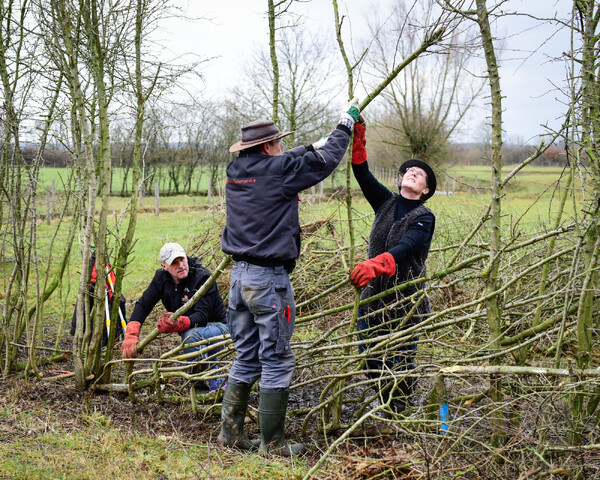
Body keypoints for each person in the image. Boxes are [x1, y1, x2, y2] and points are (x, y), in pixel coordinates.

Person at [218, 100, 361, 456]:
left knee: (246, 355)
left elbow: (283, 161)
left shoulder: (236, 171)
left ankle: (231, 435)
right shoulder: (279, 170)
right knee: (277, 358)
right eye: (279, 142)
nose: (282, 147)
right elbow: (326, 162)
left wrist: (309, 145)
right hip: (268, 282)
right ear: (268, 147)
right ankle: (274, 444)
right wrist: (345, 125)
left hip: (239, 279)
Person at [349, 118, 436, 414]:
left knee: (400, 358)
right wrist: (358, 136)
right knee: (370, 355)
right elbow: (361, 172)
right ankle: (382, 398)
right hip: (373, 298)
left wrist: (379, 263)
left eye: (421, 174)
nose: (414, 173)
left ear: (424, 190)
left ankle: (399, 410)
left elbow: (407, 246)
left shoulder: (425, 216)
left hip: (404, 302)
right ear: (400, 180)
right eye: (410, 170)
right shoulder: (385, 203)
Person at [121, 242, 229, 393]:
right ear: (165, 266)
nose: (181, 265)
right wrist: (132, 331)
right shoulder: (161, 278)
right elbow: (144, 304)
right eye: (174, 263)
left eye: (182, 259)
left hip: (220, 327)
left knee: (191, 336)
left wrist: (178, 323)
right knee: (192, 334)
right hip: (196, 328)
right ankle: (217, 384)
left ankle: (201, 391)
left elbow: (203, 315)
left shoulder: (202, 277)